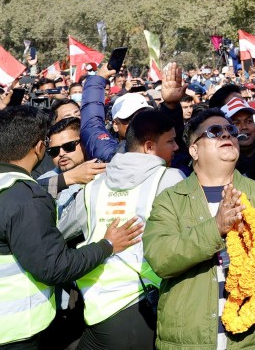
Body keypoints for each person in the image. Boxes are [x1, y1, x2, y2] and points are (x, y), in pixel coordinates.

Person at [0, 105, 144, 350]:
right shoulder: (26, 196)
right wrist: (108, 245)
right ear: (39, 148)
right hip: (11, 334)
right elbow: (55, 267)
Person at [143, 108, 255, 350]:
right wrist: (216, 228)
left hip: (253, 339)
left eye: (231, 131)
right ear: (194, 150)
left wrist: (251, 225)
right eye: (215, 131)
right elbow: (161, 257)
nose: (226, 135)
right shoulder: (171, 199)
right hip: (189, 341)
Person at [69, 109, 183, 350]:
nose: (176, 148)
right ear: (150, 147)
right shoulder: (170, 178)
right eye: (171, 141)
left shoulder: (93, 186)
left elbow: (60, 229)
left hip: (97, 304)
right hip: (141, 304)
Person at [81, 64, 185, 163]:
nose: (138, 123)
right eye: (130, 119)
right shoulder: (110, 154)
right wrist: (98, 79)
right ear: (116, 125)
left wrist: (171, 107)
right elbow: (92, 124)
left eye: (144, 117)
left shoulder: (167, 154)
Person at [38, 117, 107, 199]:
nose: (61, 153)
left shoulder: (103, 170)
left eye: (68, 146)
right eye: (54, 150)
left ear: (84, 143)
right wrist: (68, 178)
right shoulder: (46, 179)